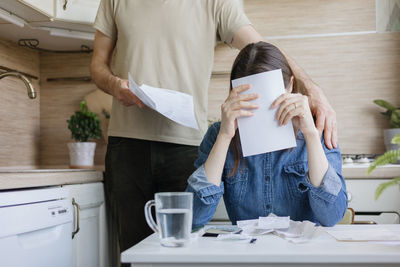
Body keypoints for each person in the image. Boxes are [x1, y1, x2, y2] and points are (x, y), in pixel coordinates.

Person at [90, 0, 338, 261]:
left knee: (183, 249)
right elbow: (97, 66)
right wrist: (115, 84)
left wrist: (311, 88)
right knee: (133, 251)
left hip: (184, 142)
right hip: (127, 143)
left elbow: (263, 49)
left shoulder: (214, 3)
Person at [186, 41, 347, 228]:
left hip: (304, 253)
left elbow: (332, 216)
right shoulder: (218, 135)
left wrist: (310, 134)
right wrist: (224, 137)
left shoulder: (317, 129)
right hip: (249, 253)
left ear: (290, 86)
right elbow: (194, 218)